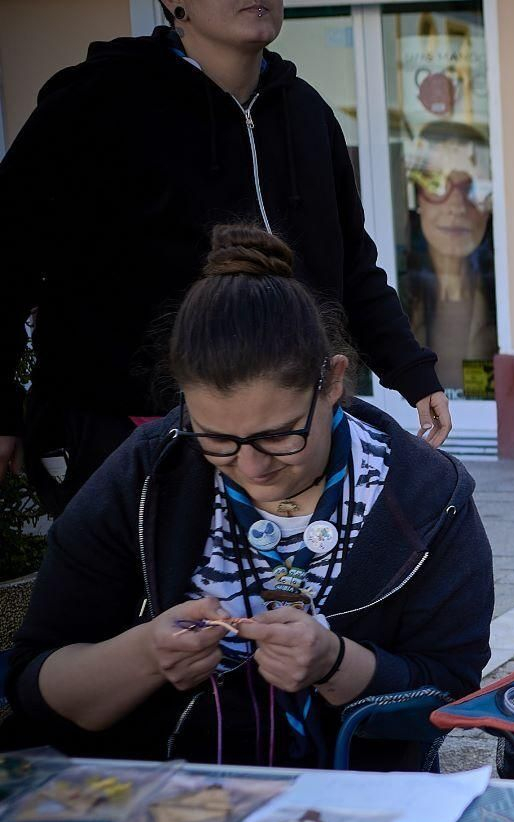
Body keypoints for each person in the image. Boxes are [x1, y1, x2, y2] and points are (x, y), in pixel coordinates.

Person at [2, 225, 492, 769]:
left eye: (279, 435)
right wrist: (144, 656)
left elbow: (449, 696)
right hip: (158, 796)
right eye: (216, 439)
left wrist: (337, 663)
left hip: (353, 803)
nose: (252, 467)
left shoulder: (426, 495)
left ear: (333, 381)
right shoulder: (148, 472)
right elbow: (32, 682)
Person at [0, 0, 452, 517]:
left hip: (284, 438)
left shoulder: (307, 112)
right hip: (126, 432)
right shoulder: (95, 100)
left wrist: (412, 372)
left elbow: (352, 265)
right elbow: (9, 254)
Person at [404, 121, 498, 400]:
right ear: (418, 199)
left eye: (472, 188)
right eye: (438, 185)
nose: (456, 206)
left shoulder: (505, 296)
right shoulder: (397, 297)